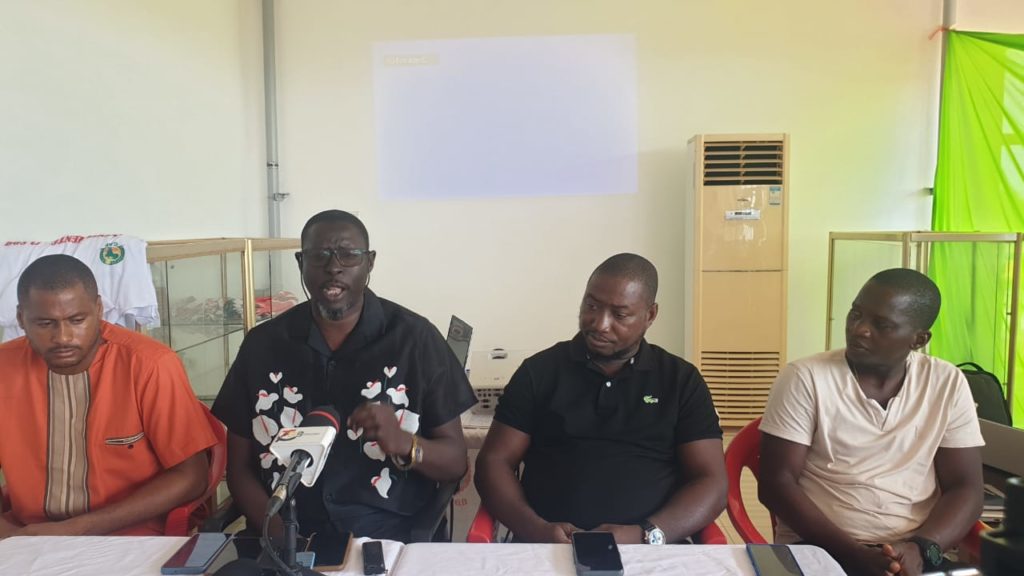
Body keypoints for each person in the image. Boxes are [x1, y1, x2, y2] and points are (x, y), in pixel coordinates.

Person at [212, 210, 476, 542]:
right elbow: (239, 469)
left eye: (349, 254)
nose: (333, 267)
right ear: (300, 262)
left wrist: (405, 443)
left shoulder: (415, 339)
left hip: (389, 536)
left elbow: (455, 462)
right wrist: (282, 539)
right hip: (285, 533)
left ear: (370, 262)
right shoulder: (262, 346)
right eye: (319, 255)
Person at [475, 253, 727, 544]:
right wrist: (535, 529)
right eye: (592, 305)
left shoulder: (680, 380)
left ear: (650, 315)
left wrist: (644, 534)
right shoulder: (540, 372)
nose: (600, 324)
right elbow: (494, 461)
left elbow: (711, 481)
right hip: (545, 546)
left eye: (619, 315)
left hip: (650, 551)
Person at [758, 268, 984, 576]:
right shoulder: (806, 377)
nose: (859, 329)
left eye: (881, 324)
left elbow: (966, 488)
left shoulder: (946, 382)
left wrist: (921, 548)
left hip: (910, 554)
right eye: (856, 314)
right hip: (819, 549)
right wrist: (854, 554)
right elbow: (776, 484)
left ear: (918, 339)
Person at [0, 254, 215, 537]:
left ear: (99, 309)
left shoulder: (149, 365)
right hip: (25, 537)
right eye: (44, 323)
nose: (63, 337)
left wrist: (76, 529)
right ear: (21, 318)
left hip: (131, 538)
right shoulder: (4, 367)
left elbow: (192, 477)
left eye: (77, 320)